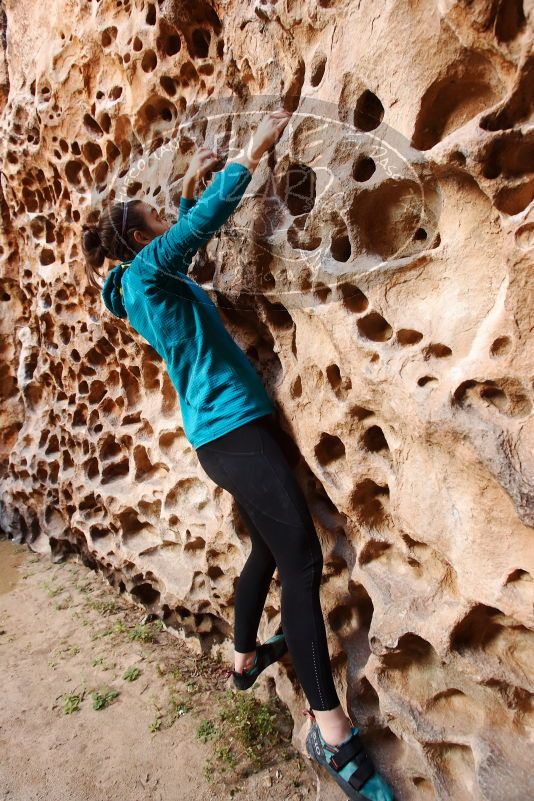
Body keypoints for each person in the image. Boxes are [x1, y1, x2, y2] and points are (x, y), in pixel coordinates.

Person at [81, 108, 393, 801]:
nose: (167, 221)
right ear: (138, 238)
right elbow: (195, 229)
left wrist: (194, 196)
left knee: (267, 551)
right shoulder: (142, 278)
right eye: (155, 218)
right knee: (304, 561)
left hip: (223, 438)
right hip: (233, 433)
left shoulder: (143, 283)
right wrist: (249, 154)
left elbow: (182, 236)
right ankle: (331, 730)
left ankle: (246, 655)